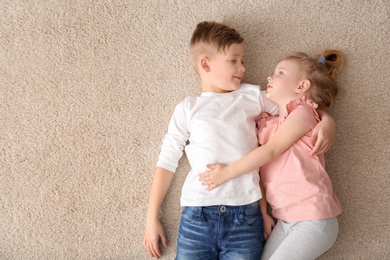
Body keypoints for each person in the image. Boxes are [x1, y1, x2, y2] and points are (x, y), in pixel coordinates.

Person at [143, 21, 336, 260]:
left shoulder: (252, 96)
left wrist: (327, 121)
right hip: (197, 215)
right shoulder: (188, 108)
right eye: (234, 60)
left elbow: (296, 105)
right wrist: (152, 218)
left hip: (246, 216)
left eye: (243, 60)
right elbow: (166, 161)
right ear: (206, 64)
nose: (242, 67)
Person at [199, 50, 344, 259]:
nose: (270, 76)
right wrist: (264, 212)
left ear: (301, 86)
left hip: (313, 217)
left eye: (280, 73)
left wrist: (227, 172)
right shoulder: (269, 123)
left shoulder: (303, 112)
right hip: (285, 220)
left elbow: (271, 151)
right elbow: (261, 172)